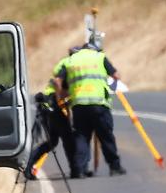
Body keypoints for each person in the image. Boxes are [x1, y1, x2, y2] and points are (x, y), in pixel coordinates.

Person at [54, 35, 127, 178]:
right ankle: (114, 167)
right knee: (106, 136)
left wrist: (60, 96)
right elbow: (116, 76)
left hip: (79, 105)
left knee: (81, 137)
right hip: (99, 103)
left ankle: (79, 170)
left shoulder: (71, 60)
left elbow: (58, 80)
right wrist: (109, 83)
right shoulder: (99, 57)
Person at [25, 58, 77, 180]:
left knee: (52, 142)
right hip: (52, 107)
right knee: (68, 138)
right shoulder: (68, 67)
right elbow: (60, 88)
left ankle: (28, 166)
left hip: (48, 107)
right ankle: (76, 169)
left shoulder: (65, 66)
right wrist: (64, 100)